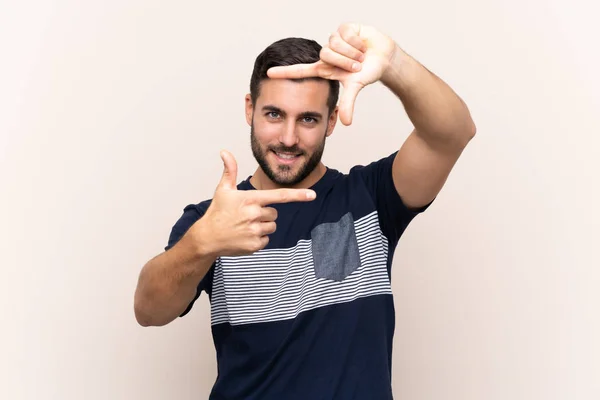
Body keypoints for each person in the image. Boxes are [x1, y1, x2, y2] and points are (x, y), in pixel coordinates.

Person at [134, 22, 476, 399]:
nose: (288, 138)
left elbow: (452, 133)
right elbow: (149, 311)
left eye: (308, 119)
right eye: (274, 114)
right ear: (250, 109)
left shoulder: (370, 199)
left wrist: (394, 63)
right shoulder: (215, 219)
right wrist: (201, 243)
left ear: (331, 120)